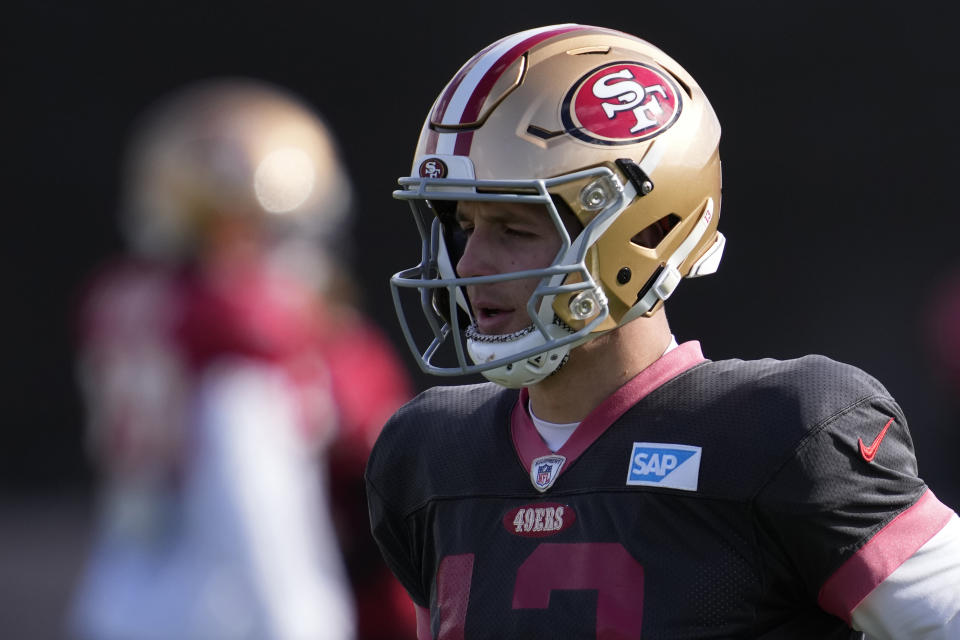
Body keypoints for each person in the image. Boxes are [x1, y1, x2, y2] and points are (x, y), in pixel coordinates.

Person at [364, 23, 960, 639]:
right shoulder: (432, 454)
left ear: (649, 232)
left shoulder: (779, 435)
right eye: (464, 225)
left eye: (515, 229)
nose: (468, 264)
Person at [68, 77, 414, 640]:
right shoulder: (246, 335)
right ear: (242, 226)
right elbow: (256, 507)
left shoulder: (137, 308)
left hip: (122, 597)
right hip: (232, 610)